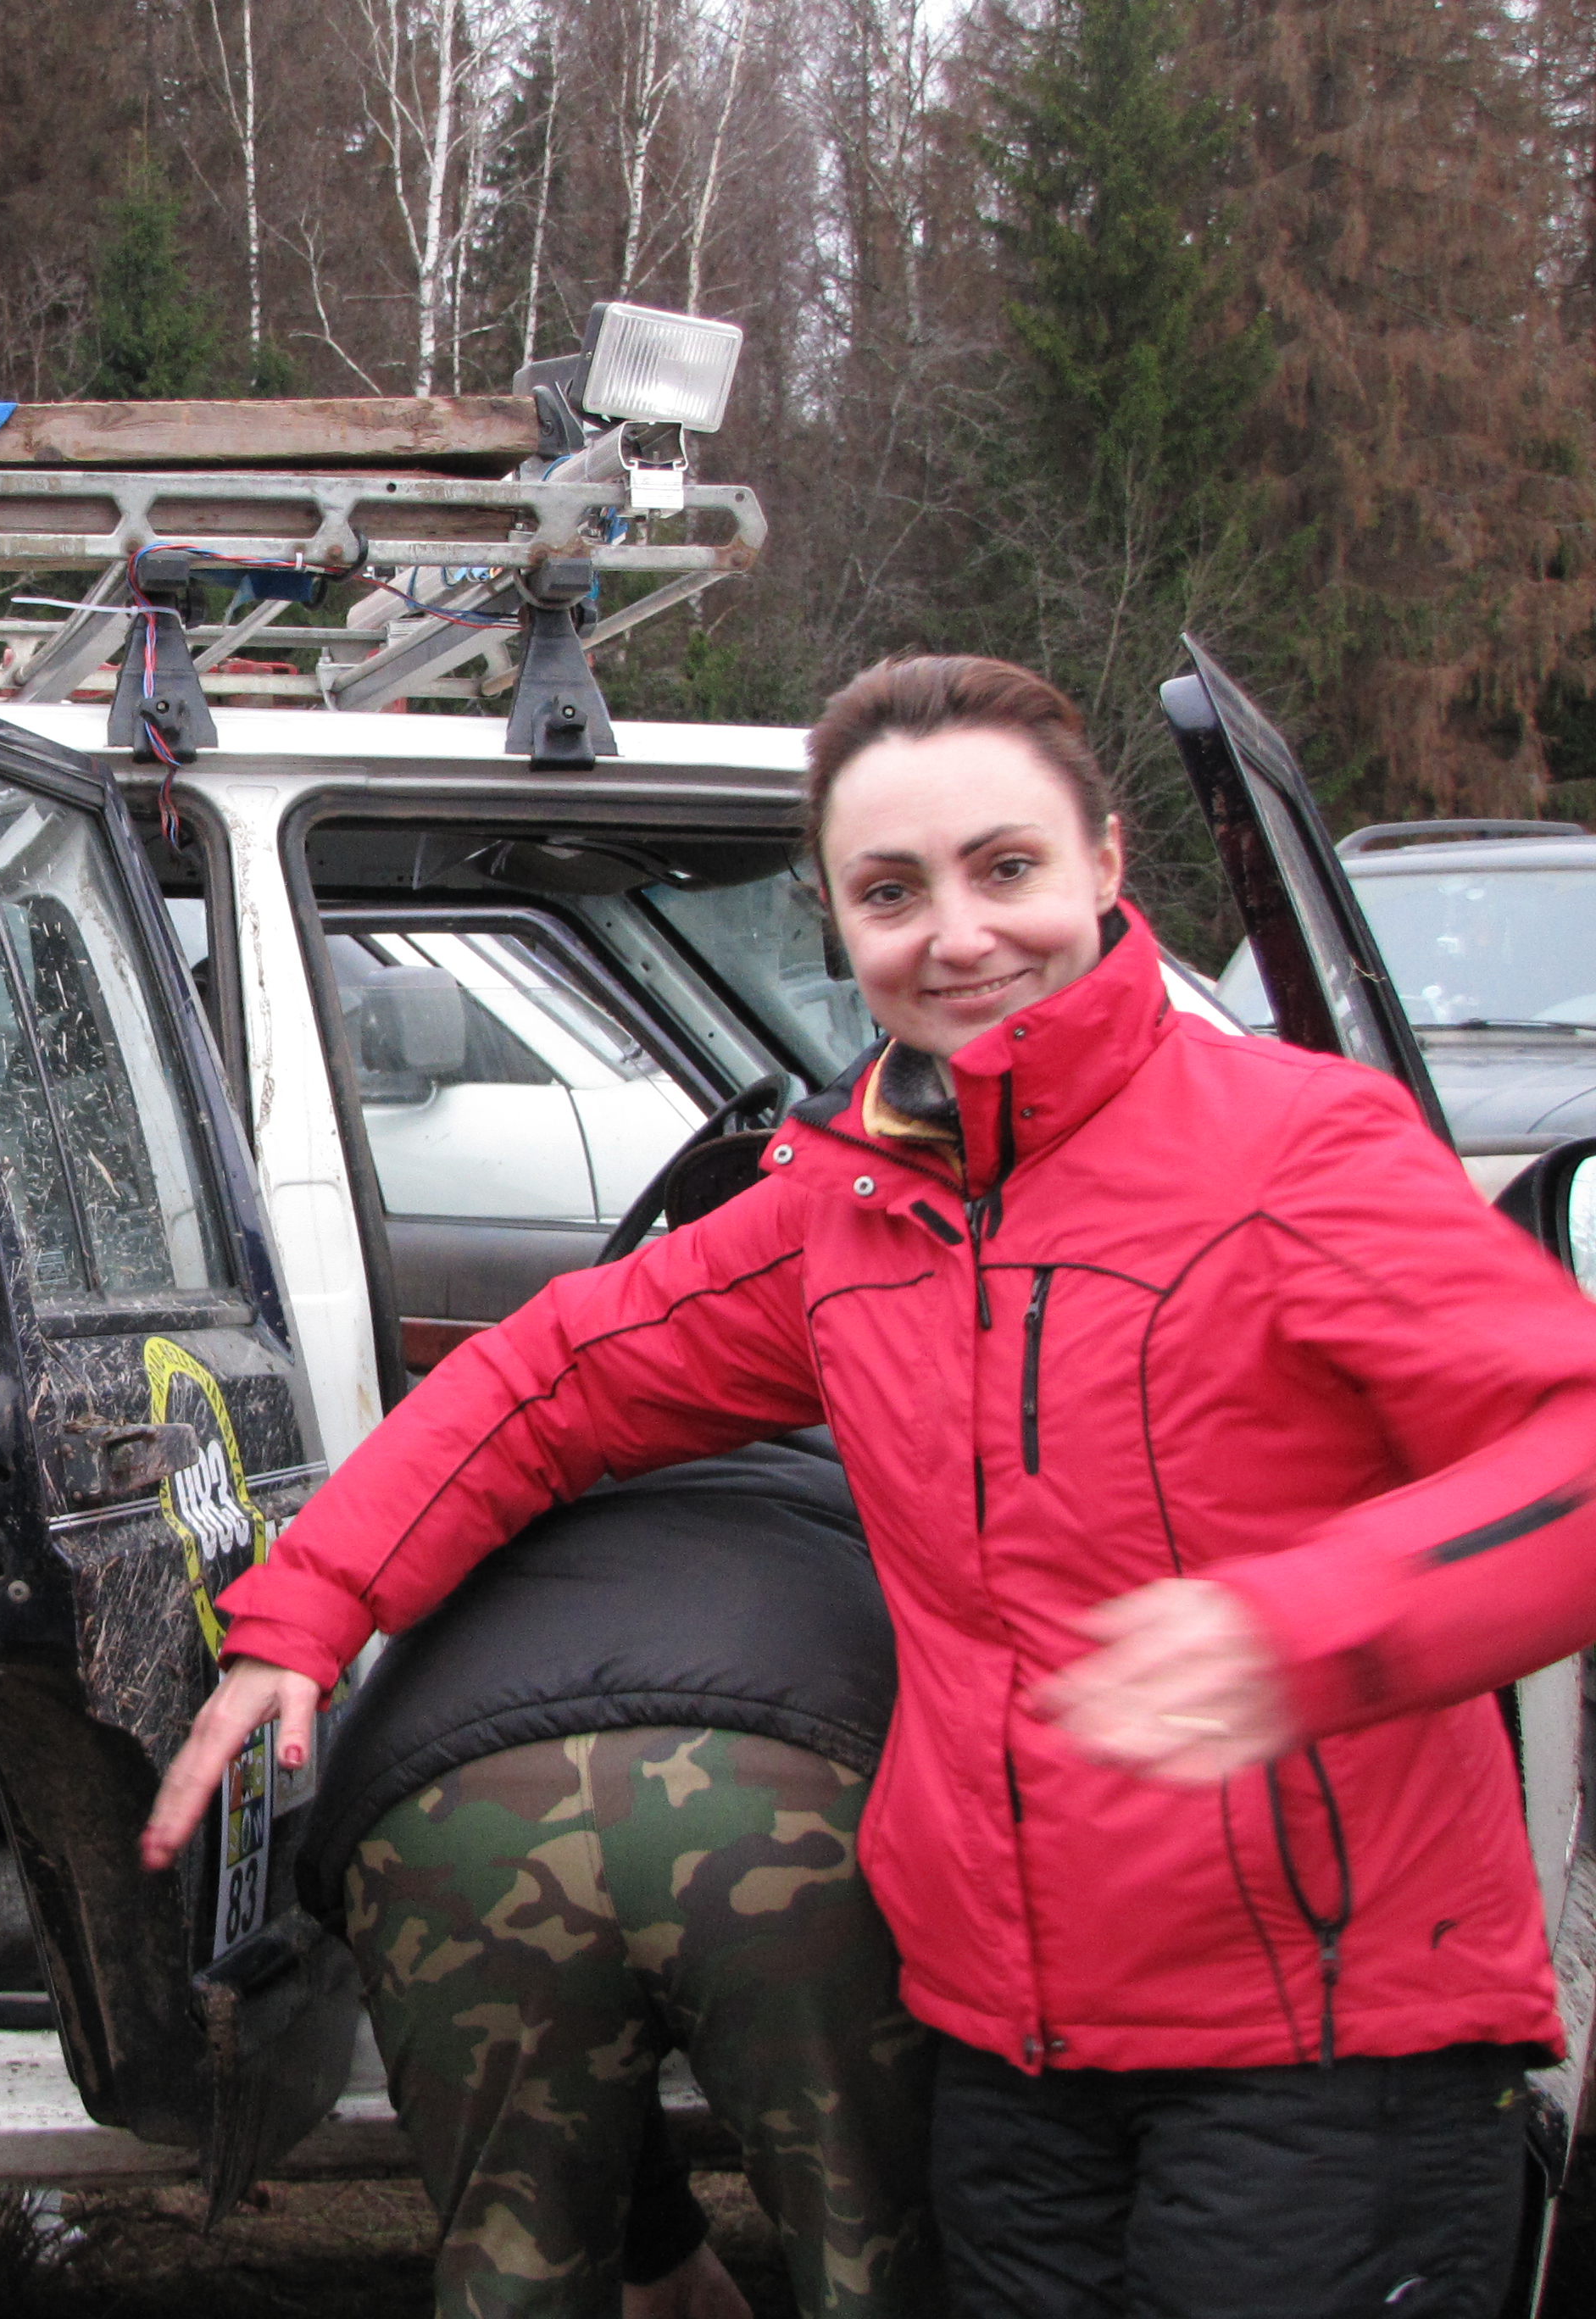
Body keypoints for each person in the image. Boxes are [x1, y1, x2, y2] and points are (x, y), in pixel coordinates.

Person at [143, 653, 1596, 2316]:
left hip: (1328, 2047)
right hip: (1011, 2049)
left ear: (1104, 864)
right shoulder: (852, 1211)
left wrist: (1299, 1629)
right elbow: (550, 1377)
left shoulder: (1301, 1149)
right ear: (839, 925)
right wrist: (307, 1611)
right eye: (891, 892)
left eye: (1005, 867)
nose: (957, 936)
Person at [307, 1437, 934, 2319]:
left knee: (512, 2275)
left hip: (447, 1804)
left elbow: (596, 1942)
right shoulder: (880, 1444)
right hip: (783, 1783)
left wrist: (658, 2245)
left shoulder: (512, 1431)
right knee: (877, 2256)